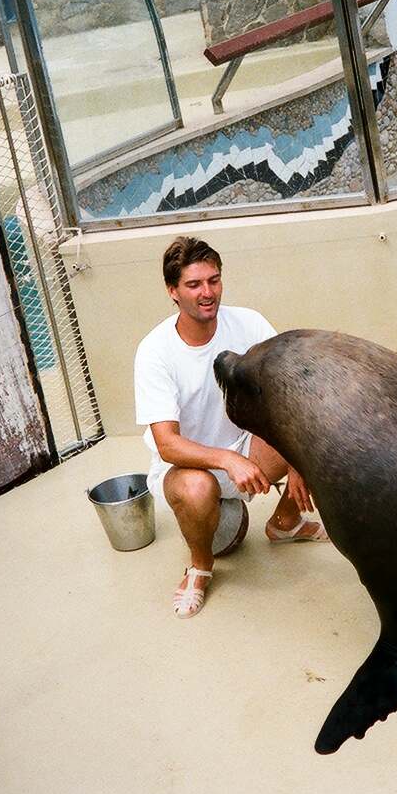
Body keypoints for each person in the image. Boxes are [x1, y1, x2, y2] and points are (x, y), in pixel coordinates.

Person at [133, 236, 328, 619]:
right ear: (172, 291)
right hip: (187, 464)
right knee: (195, 487)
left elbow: (288, 395)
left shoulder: (249, 323)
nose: (207, 293)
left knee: (313, 429)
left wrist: (295, 460)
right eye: (193, 285)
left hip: (245, 446)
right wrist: (226, 460)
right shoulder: (155, 352)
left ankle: (285, 523)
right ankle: (200, 566)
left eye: (214, 280)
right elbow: (167, 444)